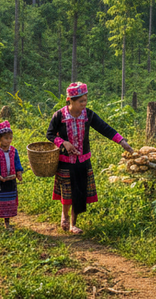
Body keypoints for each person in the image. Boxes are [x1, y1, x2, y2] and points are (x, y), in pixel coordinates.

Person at [46, 82, 132, 234]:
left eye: (85, 100)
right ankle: (64, 216)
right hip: (66, 161)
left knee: (79, 192)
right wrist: (64, 143)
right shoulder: (59, 116)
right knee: (67, 193)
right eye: (81, 101)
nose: (84, 104)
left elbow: (104, 128)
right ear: (70, 100)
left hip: (83, 160)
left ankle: (73, 224)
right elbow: (50, 134)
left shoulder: (88, 115)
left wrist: (122, 141)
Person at [0, 120, 23, 228]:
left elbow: (17, 162)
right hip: (0, 182)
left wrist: (19, 172)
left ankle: (7, 222)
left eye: (10, 138)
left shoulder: (13, 150)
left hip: (11, 180)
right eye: (6, 138)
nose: (9, 141)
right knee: (1, 202)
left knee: (9, 202)